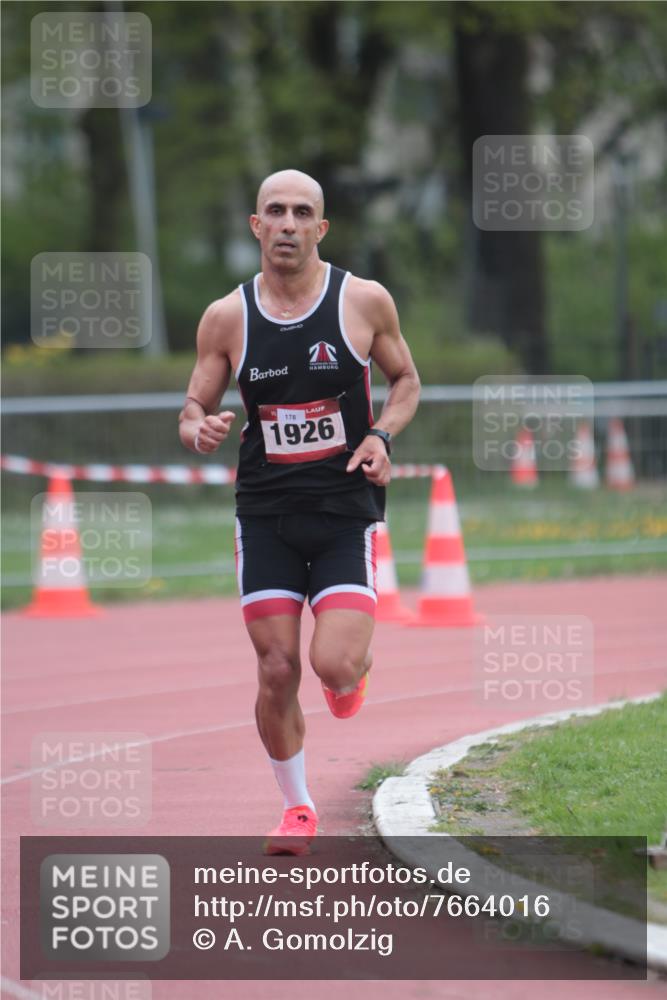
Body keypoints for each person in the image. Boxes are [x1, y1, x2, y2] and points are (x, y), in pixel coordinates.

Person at [179, 169, 420, 854]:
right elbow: (194, 403)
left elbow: (405, 379)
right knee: (277, 668)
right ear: (256, 226)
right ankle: (298, 809)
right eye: (274, 212)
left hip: (345, 508)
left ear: (321, 228)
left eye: (301, 212)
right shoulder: (227, 317)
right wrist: (196, 426)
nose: (287, 223)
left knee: (333, 666)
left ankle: (353, 672)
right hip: (265, 515)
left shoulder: (362, 302)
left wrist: (381, 435)